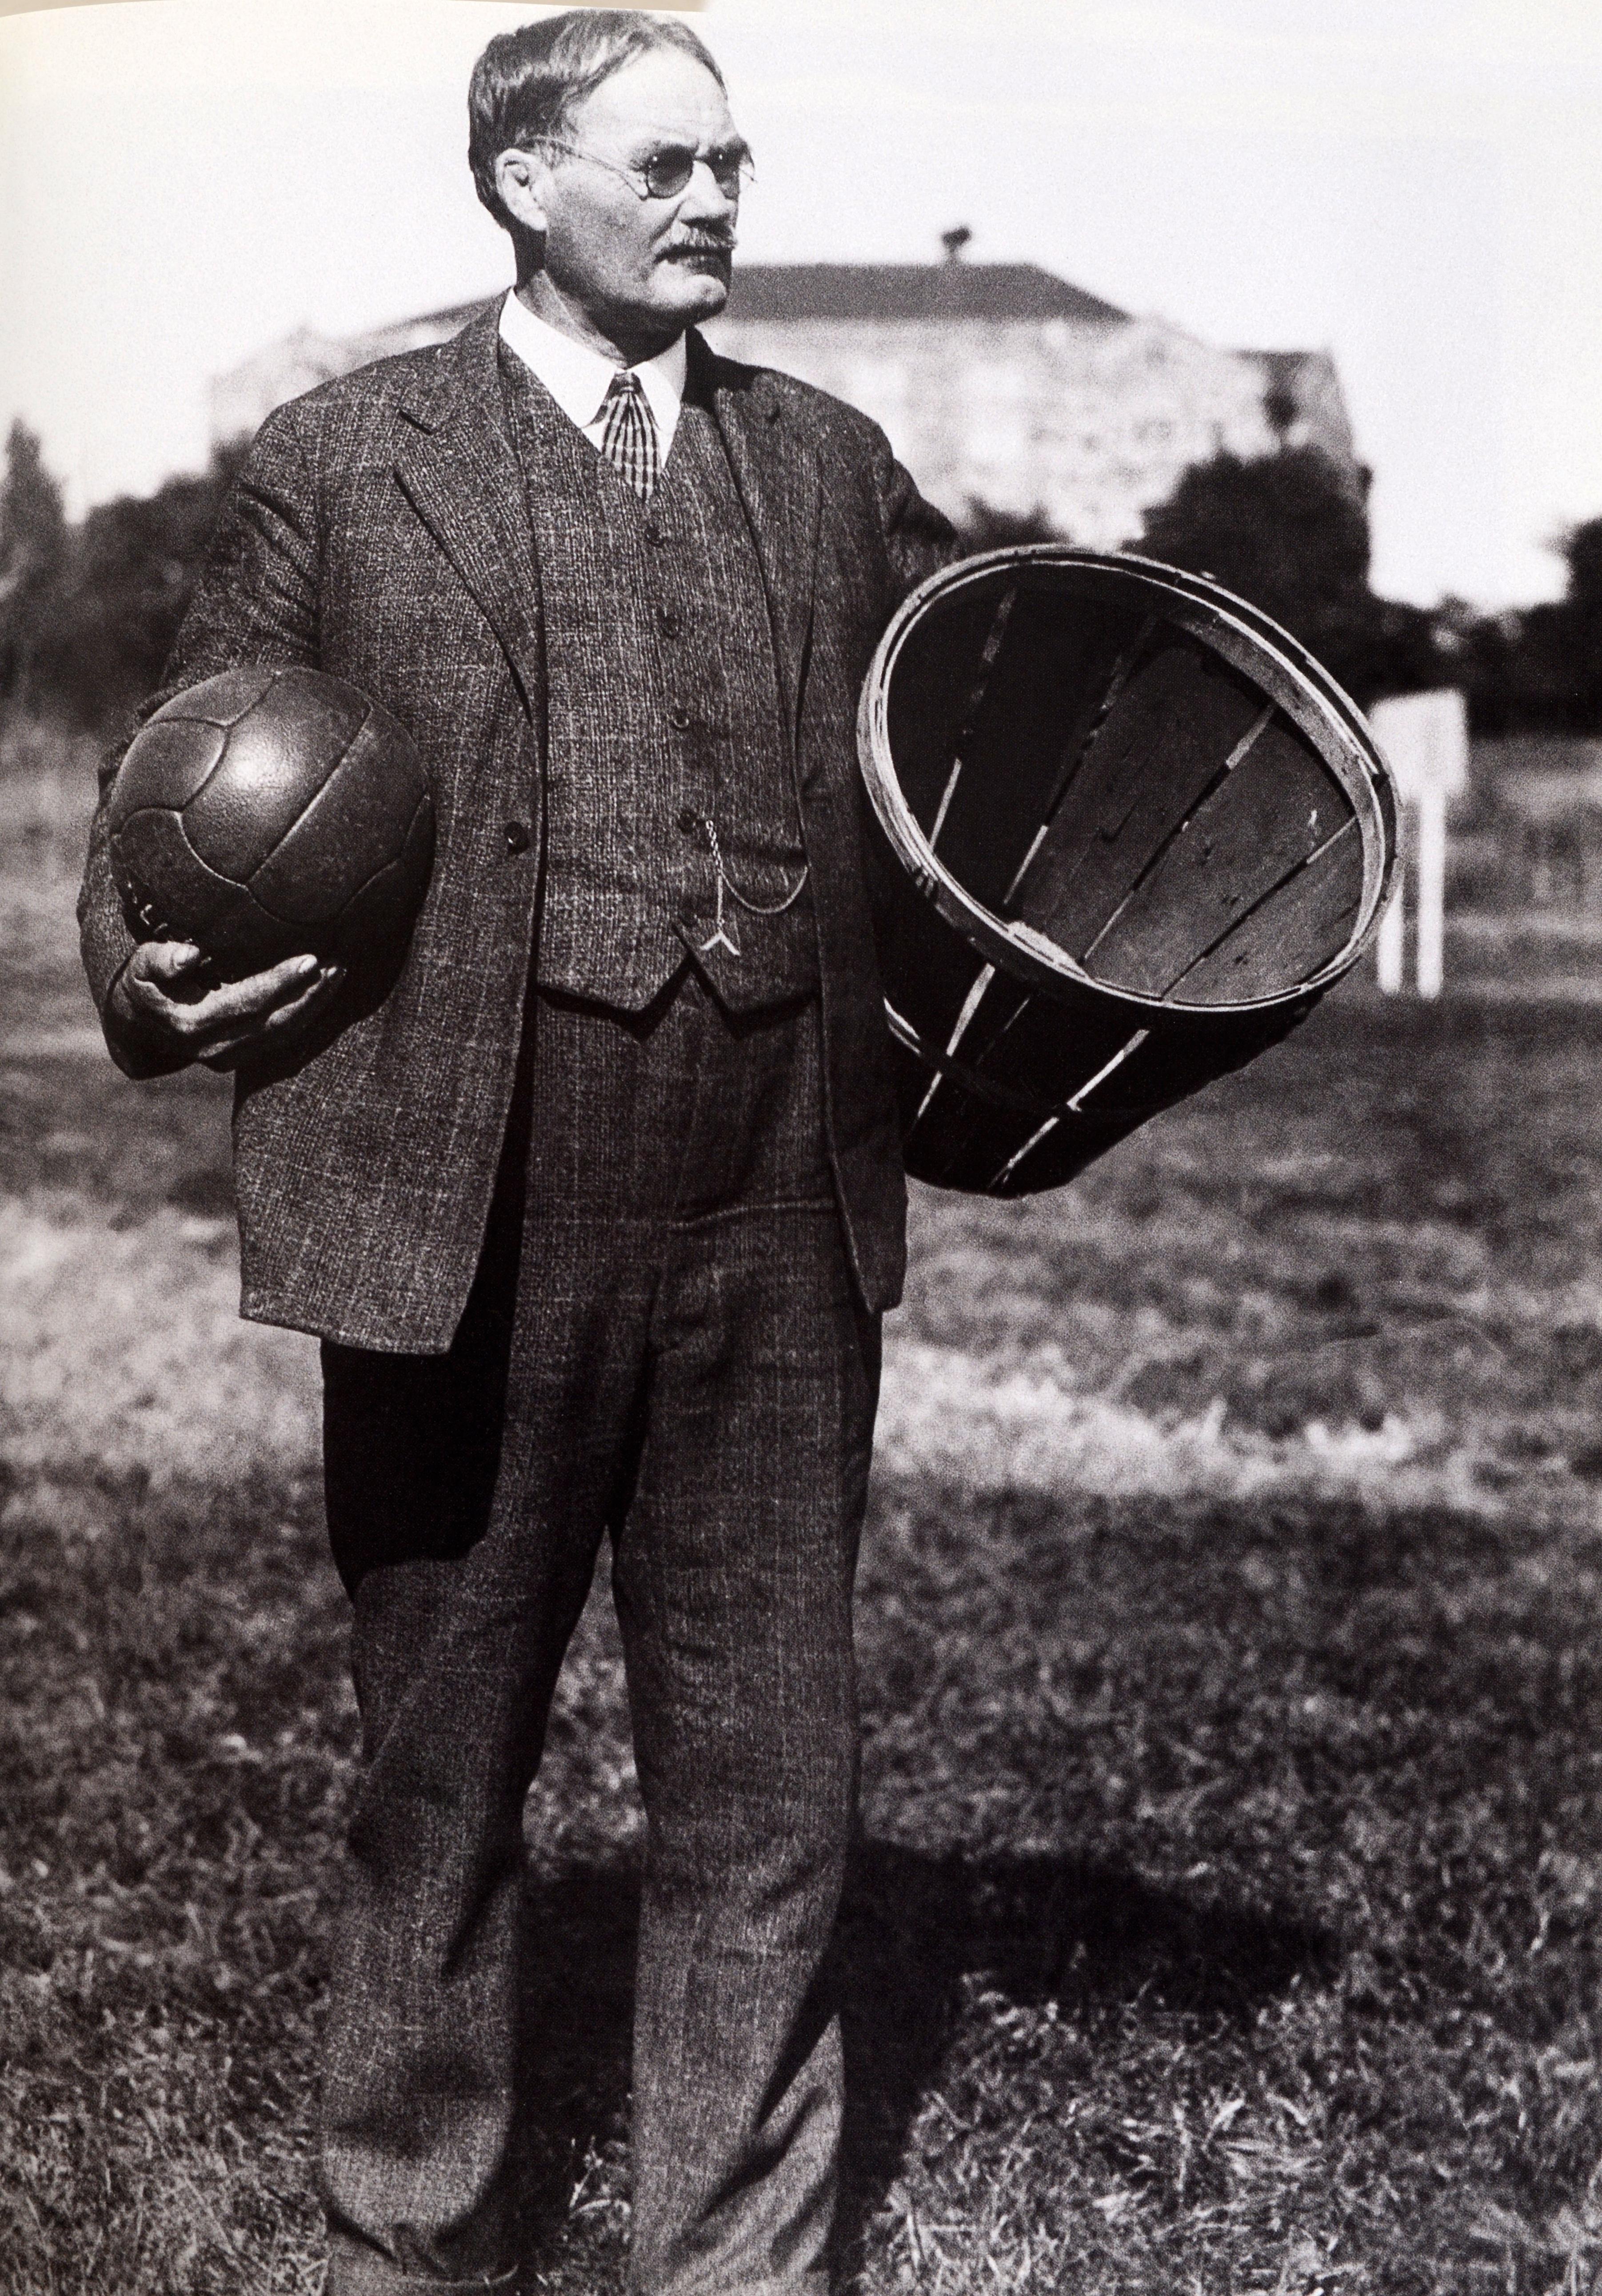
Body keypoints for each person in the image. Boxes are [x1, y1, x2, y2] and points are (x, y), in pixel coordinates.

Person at [77, 12, 955, 2293]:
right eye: (665, 161)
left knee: (767, 1786)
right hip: (468, 1188)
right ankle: (410, 2234)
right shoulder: (344, 463)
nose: (715, 203)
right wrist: (142, 963)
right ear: (515, 177)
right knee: (438, 1779)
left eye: (734, 164)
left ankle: (738, 2259)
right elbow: (180, 761)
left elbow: (968, 738)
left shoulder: (833, 463)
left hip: (778, 1187)